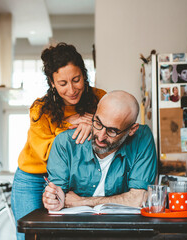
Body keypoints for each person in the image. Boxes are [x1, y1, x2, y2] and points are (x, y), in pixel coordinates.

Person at [11, 42, 106, 239]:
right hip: (33, 179)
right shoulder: (40, 109)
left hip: (70, 179)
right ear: (52, 83)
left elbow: (114, 130)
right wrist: (70, 124)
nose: (71, 89)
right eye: (63, 84)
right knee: (31, 236)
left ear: (84, 74)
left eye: (76, 79)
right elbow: (47, 153)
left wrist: (94, 124)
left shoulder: (101, 99)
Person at [43, 91, 157, 211]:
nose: (101, 137)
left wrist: (81, 202)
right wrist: (52, 199)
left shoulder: (142, 138)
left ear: (132, 130)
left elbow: (139, 199)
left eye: (112, 131)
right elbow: (58, 195)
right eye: (98, 123)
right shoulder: (66, 142)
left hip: (121, 226)